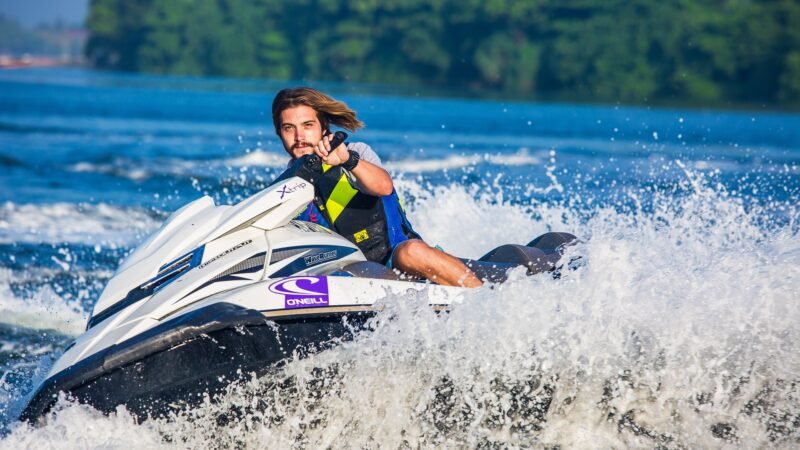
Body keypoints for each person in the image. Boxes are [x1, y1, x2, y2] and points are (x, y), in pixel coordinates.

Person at [272, 87, 482, 288]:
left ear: (323, 127)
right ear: (279, 133)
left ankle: (484, 302)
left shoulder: (356, 152)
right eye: (289, 128)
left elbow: (383, 186)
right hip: (347, 271)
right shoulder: (283, 188)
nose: (299, 137)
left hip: (397, 255)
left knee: (411, 252)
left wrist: (348, 160)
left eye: (308, 125)